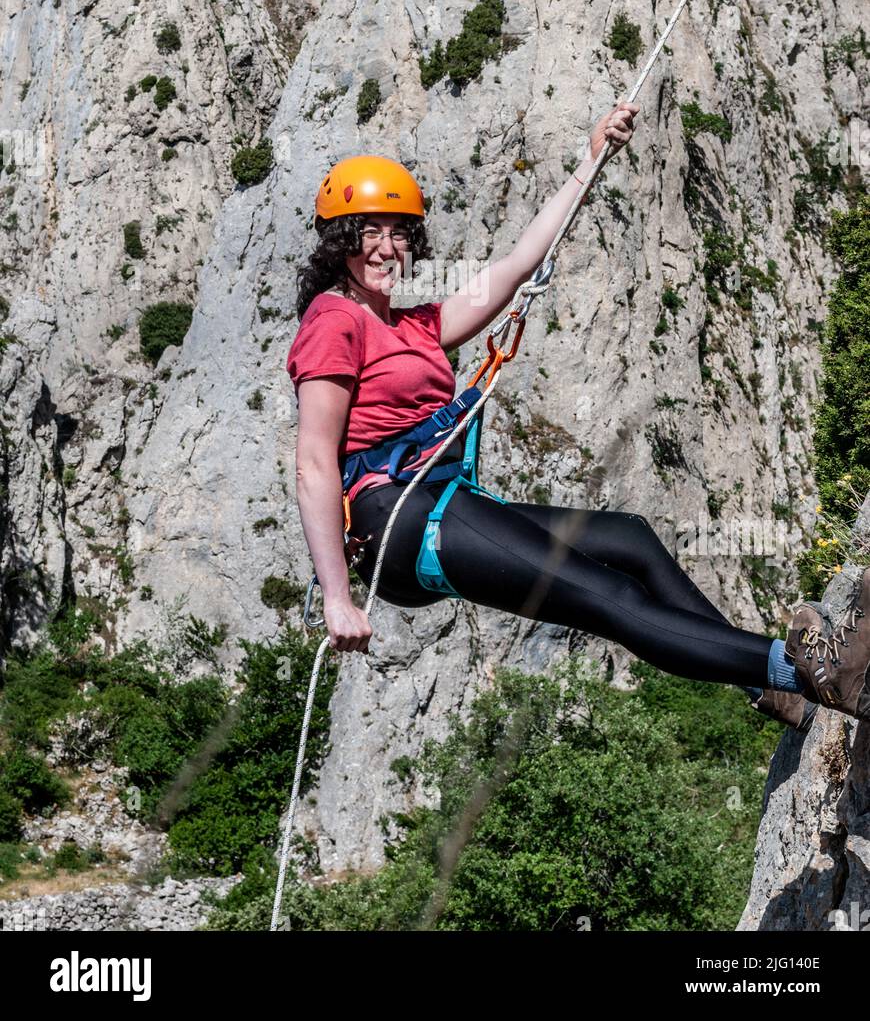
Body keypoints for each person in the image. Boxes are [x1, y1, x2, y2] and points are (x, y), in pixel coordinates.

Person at [286, 114, 870, 733]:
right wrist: (336, 597)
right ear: (339, 242)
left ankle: (769, 684)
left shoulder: (409, 325)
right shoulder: (333, 322)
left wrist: (591, 162)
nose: (385, 246)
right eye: (368, 231)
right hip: (395, 521)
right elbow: (315, 461)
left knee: (631, 542)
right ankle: (813, 673)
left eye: (399, 232)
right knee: (607, 598)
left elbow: (515, 265)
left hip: (436, 502)